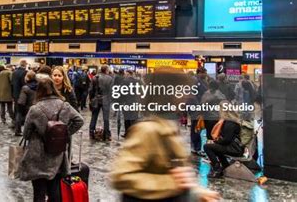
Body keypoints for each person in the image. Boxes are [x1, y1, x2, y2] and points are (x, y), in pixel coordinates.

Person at [110, 67, 220, 202]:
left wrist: (197, 193)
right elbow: (122, 177)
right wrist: (172, 184)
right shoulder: (147, 130)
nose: (187, 96)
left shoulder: (169, 127)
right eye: (182, 90)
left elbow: (177, 176)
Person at [20, 77, 84, 202]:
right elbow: (79, 121)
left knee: (39, 192)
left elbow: (26, 134)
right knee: (55, 189)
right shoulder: (65, 105)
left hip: (37, 154)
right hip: (57, 153)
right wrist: (64, 134)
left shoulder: (35, 109)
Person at [204, 102, 244, 178]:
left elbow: (226, 140)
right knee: (216, 148)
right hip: (234, 147)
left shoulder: (230, 123)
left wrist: (214, 142)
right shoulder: (231, 121)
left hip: (234, 149)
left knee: (207, 147)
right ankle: (225, 166)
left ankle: (217, 168)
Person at [88, 65, 113, 141]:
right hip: (106, 100)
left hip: (96, 99)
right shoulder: (110, 78)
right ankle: (107, 135)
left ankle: (91, 133)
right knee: (106, 118)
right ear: (106, 70)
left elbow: (91, 90)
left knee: (94, 116)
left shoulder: (95, 77)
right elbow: (112, 91)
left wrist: (91, 99)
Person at [15, 70, 37, 136]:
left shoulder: (25, 88)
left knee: (18, 114)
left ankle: (18, 131)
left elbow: (21, 102)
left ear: (27, 78)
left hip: (27, 109)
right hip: (37, 108)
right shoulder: (39, 87)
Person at [12, 60, 28, 133]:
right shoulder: (24, 72)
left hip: (15, 93)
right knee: (20, 111)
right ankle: (18, 127)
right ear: (25, 65)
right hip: (22, 93)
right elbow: (24, 83)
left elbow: (12, 83)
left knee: (16, 109)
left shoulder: (14, 72)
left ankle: (14, 122)